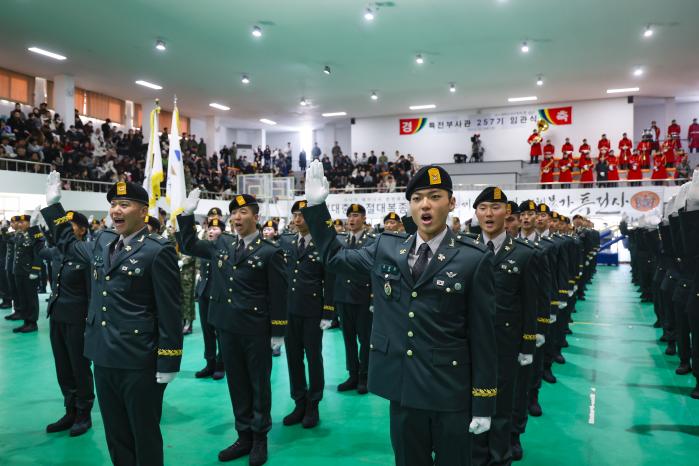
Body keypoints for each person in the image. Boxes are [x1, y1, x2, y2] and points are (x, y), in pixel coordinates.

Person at [301, 160, 497, 466]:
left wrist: (484, 402)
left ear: (452, 203)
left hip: (450, 392)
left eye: (434, 196)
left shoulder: (472, 258)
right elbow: (335, 257)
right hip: (403, 389)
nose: (425, 205)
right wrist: (316, 208)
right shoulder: (387, 248)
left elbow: (485, 335)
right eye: (417, 198)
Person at [41, 174, 183, 466]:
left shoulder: (158, 250)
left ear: (144, 211)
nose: (116, 210)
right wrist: (55, 207)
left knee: (143, 433)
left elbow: (170, 311)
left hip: (138, 359)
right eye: (114, 204)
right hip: (103, 356)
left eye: (125, 204)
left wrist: (169, 361)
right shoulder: (102, 242)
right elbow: (68, 244)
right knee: (116, 433)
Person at [177, 192, 287, 465]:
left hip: (255, 328)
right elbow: (188, 244)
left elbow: (279, 295)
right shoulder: (221, 244)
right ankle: (244, 436)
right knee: (237, 382)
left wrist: (278, 332)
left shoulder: (270, 251)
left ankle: (260, 438)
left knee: (258, 384)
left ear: (256, 217)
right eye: (234, 214)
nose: (237, 218)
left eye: (244, 213)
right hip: (226, 326)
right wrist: (186, 215)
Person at [470, 188, 537, 466]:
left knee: (500, 406)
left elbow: (532, 303)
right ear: (476, 212)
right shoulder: (465, 249)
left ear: (507, 212)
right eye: (483, 207)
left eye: (495, 207)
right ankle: (474, 456)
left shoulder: (524, 254)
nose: (489, 213)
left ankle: (499, 457)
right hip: (469, 343)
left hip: (505, 343)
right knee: (471, 404)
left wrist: (528, 344)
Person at [278, 200, 335, 429]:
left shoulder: (323, 244)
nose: (297, 219)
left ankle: (314, 403)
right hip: (289, 311)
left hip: (312, 312)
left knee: (313, 358)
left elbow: (330, 281)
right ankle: (299, 401)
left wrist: (328, 312)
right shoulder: (286, 242)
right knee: (293, 358)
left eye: (301, 215)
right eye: (294, 215)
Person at [43, 210, 95, 437]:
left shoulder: (86, 255)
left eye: (71, 225)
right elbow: (38, 251)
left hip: (78, 321)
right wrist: (36, 230)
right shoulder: (57, 252)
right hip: (57, 317)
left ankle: (84, 414)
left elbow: (93, 294)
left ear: (82, 230)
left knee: (79, 368)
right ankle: (70, 410)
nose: (66, 229)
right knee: (63, 368)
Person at [331, 203, 376, 394]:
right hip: (343, 297)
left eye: (356, 215)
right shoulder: (339, 240)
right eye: (349, 215)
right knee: (348, 339)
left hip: (364, 298)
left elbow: (375, 271)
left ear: (364, 219)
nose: (352, 219)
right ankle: (353, 374)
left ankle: (365, 376)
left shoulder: (372, 241)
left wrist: (374, 300)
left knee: (365, 339)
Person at [11, 212, 44, 333]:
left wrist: (35, 269)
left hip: (29, 272)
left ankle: (32, 322)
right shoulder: (20, 235)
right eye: (19, 222)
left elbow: (38, 253)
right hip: (20, 272)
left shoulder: (35, 234)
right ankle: (26, 321)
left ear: (30, 223)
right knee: (22, 297)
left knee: (31, 298)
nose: (20, 224)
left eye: (23, 222)